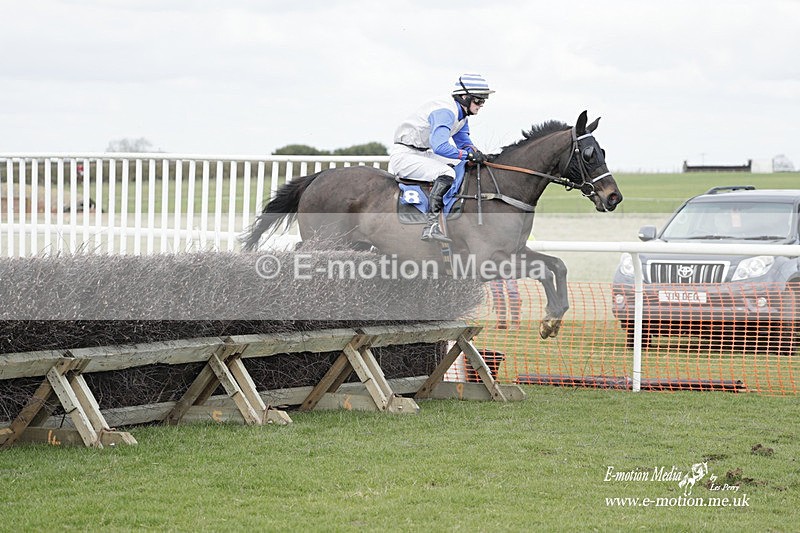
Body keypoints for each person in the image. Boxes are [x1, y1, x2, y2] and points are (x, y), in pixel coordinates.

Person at [389, 73, 494, 243]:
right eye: (478, 100)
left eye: (483, 101)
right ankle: (431, 226)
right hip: (405, 155)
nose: (481, 105)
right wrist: (468, 154)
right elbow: (440, 146)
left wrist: (476, 153)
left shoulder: (462, 114)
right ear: (464, 97)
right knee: (447, 172)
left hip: (423, 152)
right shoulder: (445, 111)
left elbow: (463, 143)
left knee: (463, 164)